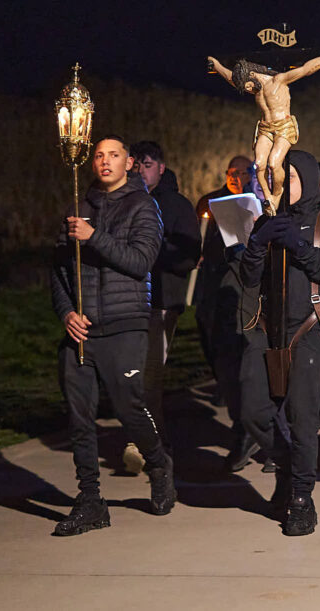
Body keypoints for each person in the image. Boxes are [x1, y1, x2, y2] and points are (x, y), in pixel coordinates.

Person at [50, 135, 175, 536]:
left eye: (114, 155)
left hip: (124, 326)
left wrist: (94, 237)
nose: (105, 161)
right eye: (99, 155)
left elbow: (140, 261)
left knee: (129, 408)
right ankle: (90, 500)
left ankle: (158, 464)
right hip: (82, 329)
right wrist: (67, 312)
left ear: (129, 163)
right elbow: (59, 269)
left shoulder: (142, 205)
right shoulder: (79, 207)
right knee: (79, 416)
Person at [239, 150, 320, 535]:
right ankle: (287, 468)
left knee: (303, 418)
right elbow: (248, 278)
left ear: (307, 178)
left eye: (290, 177)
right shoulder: (266, 220)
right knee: (252, 409)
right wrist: (258, 244)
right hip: (268, 328)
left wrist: (300, 247)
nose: (282, 184)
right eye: (276, 177)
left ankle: (302, 498)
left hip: (309, 328)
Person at [207, 42, 320, 212]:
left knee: (274, 163)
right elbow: (231, 78)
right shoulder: (256, 87)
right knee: (259, 164)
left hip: (283, 126)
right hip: (265, 128)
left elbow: (306, 69)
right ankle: (268, 197)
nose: (247, 88)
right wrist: (217, 65)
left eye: (247, 84)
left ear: (253, 74)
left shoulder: (279, 80)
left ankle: (277, 194)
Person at [126, 141, 199, 461]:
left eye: (148, 165)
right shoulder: (129, 200)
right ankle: (146, 439)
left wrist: (152, 252)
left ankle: (151, 443)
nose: (142, 171)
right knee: (132, 373)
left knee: (150, 373)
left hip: (163, 300)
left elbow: (188, 254)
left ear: (161, 168)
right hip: (130, 302)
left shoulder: (176, 205)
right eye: (137, 165)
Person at [194, 156, 264, 470]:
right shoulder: (213, 204)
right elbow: (205, 245)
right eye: (232, 172)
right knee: (227, 363)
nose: (238, 177)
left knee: (253, 368)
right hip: (221, 294)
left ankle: (262, 435)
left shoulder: (261, 203)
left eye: (244, 172)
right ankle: (244, 428)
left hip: (253, 296)